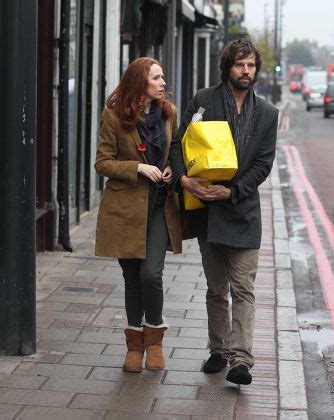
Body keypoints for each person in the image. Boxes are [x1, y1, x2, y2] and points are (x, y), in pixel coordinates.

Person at [170, 38, 278, 385]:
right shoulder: (204, 100)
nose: (246, 72)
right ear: (227, 67)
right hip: (207, 211)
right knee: (216, 288)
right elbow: (178, 142)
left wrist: (232, 189)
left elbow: (263, 164)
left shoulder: (267, 114)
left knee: (242, 288)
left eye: (251, 66)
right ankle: (218, 350)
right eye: (239, 65)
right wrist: (184, 180)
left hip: (243, 210)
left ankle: (242, 360)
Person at [95, 57, 182, 373]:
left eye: (163, 77)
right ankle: (134, 345)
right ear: (139, 83)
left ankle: (155, 340)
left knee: (150, 274)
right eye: (156, 78)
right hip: (125, 210)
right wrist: (138, 168)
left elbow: (176, 150)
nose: (162, 83)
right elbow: (102, 163)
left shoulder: (168, 114)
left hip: (160, 207)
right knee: (132, 279)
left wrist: (174, 167)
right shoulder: (114, 116)